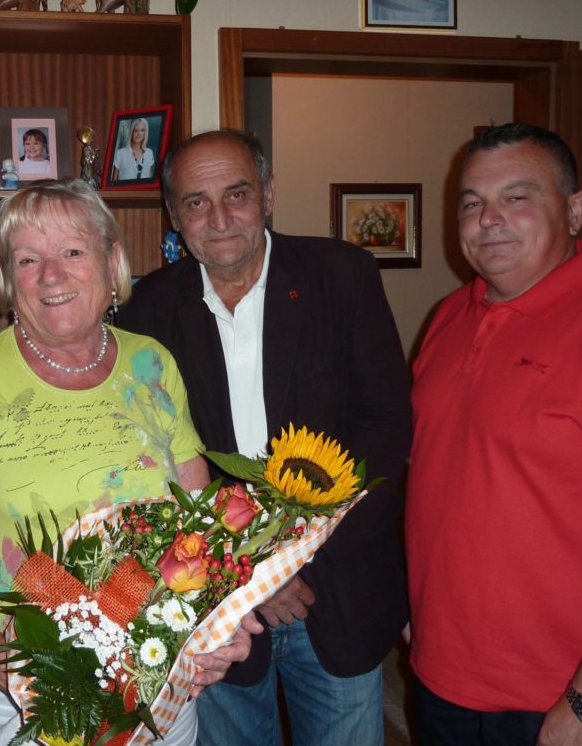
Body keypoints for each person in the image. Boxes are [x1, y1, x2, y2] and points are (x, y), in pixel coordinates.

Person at [0, 179, 262, 746]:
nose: (51, 275)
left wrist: (219, 623)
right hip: (19, 693)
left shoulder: (153, 363)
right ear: (8, 278)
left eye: (73, 252)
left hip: (154, 675)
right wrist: (16, 672)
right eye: (28, 259)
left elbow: (198, 526)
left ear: (112, 261)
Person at [117, 130, 412, 746]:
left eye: (237, 194)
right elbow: (151, 458)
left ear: (269, 195)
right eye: (196, 202)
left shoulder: (342, 275)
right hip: (216, 606)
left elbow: (385, 424)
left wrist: (294, 558)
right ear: (174, 215)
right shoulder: (148, 307)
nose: (219, 218)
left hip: (334, 590)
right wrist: (244, 575)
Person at [405, 123, 582, 745]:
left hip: (563, 697)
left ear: (576, 209)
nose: (489, 220)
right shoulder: (450, 315)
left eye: (517, 197)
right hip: (441, 680)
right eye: (472, 202)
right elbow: (440, 475)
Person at [112, 117, 155, 182]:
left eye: (142, 130)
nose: (139, 133)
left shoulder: (149, 153)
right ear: (131, 132)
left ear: (146, 132)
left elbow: (149, 178)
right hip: (125, 191)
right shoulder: (120, 153)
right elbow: (113, 182)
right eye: (136, 130)